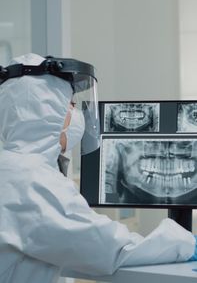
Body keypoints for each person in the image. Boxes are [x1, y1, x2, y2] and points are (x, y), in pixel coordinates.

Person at [0, 53, 196, 283]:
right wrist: (183, 243)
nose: (77, 116)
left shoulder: (12, 169)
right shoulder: (31, 179)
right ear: (47, 113)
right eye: (71, 105)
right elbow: (106, 248)